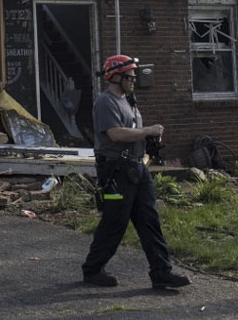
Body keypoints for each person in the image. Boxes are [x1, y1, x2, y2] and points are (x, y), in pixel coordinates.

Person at [81, 55, 191, 290]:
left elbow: (133, 131)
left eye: (133, 76)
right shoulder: (105, 102)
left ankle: (161, 272)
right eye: (129, 76)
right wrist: (146, 131)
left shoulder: (130, 101)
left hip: (136, 169)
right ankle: (93, 269)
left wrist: (150, 137)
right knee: (115, 222)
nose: (133, 80)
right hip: (116, 172)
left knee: (150, 220)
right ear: (115, 76)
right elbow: (115, 134)